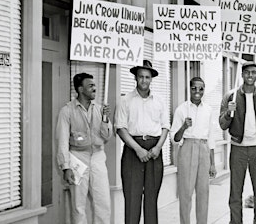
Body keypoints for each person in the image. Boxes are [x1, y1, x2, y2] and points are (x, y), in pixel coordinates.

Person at [219, 61, 256, 224]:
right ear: (242, 74)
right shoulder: (231, 96)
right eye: (247, 72)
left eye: (253, 72)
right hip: (238, 149)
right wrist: (229, 112)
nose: (250, 75)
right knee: (236, 192)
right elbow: (222, 124)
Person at [115, 60, 170, 224]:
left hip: (154, 151)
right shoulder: (126, 100)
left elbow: (166, 127)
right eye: (141, 77)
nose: (144, 80)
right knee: (132, 197)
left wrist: (158, 147)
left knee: (151, 199)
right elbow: (121, 128)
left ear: (151, 78)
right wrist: (138, 149)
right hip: (133, 150)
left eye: (147, 77)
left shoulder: (159, 100)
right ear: (135, 78)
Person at [56, 72, 113, 223]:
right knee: (78, 205)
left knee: (103, 203)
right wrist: (65, 167)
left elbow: (107, 137)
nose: (94, 88)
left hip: (98, 157)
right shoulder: (67, 111)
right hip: (77, 157)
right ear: (80, 89)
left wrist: (105, 120)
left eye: (94, 85)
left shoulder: (101, 110)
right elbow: (62, 141)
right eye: (91, 86)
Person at [170, 77, 217, 224]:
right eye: (194, 88)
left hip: (203, 149)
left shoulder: (208, 110)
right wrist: (183, 127)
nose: (197, 91)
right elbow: (174, 139)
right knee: (186, 193)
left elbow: (211, 137)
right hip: (187, 148)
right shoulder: (181, 109)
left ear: (204, 90)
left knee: (203, 193)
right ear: (189, 89)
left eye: (201, 88)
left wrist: (212, 163)